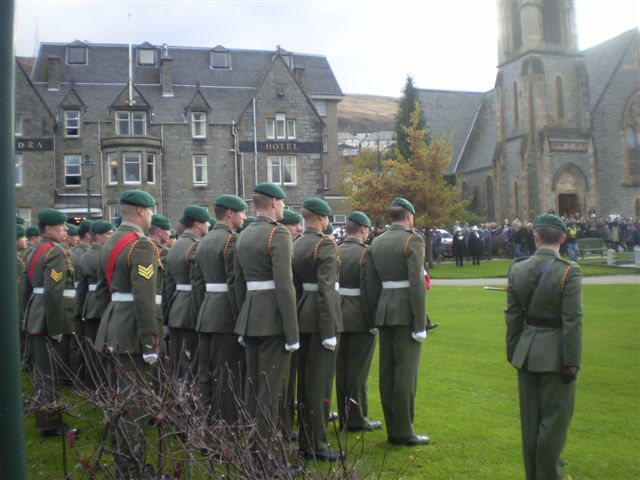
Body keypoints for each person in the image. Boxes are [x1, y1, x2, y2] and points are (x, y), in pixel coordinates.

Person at [505, 213, 583, 480]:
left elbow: (513, 316)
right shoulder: (569, 271)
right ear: (563, 238)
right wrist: (572, 361)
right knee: (554, 425)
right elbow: (572, 320)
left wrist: (514, 352)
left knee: (531, 424)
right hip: (557, 356)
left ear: (535, 236)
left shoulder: (517, 268)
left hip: (525, 353)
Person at [94, 189, 161, 478]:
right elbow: (144, 300)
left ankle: (124, 460)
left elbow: (101, 290)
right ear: (143, 211)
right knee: (135, 405)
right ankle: (132, 469)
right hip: (132, 330)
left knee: (122, 400)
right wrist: (151, 342)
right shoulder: (141, 246)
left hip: (114, 324)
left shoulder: (111, 242)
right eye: (152, 210)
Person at [233, 183, 299, 468]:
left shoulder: (243, 234)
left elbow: (237, 283)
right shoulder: (278, 234)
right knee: (270, 392)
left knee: (253, 388)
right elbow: (285, 287)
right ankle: (264, 460)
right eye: (282, 202)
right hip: (273, 320)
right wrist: (292, 332)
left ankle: (250, 450)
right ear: (273, 202)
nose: (284, 207)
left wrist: (243, 316)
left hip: (250, 317)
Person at [369, 198, 429, 446]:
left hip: (384, 309)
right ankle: (403, 431)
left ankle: (393, 426)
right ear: (409, 216)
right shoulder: (412, 240)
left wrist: (375, 314)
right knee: (405, 374)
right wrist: (420, 323)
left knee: (388, 372)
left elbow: (372, 284)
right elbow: (416, 285)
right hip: (405, 311)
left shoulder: (377, 241)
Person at [292, 197, 343, 461]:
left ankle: (305, 438)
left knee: (305, 382)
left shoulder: (297, 243)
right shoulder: (325, 244)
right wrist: (329, 330)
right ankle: (317, 444)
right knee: (320, 384)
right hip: (321, 318)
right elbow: (325, 290)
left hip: (302, 314)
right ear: (322, 219)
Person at [22, 208, 78, 436]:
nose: (65, 229)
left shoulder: (35, 251)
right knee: (49, 374)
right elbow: (54, 292)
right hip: (48, 319)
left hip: (36, 315)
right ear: (48, 229)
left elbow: (25, 289)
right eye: (61, 226)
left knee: (43, 372)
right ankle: (50, 425)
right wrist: (55, 328)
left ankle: (47, 420)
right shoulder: (55, 253)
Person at [192, 194, 247, 424]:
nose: (244, 217)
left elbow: (197, 283)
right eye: (242, 212)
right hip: (225, 316)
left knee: (205, 373)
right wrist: (240, 317)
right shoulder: (230, 241)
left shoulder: (203, 240)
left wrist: (200, 312)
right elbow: (235, 283)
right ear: (230, 213)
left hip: (206, 312)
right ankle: (225, 430)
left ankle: (203, 423)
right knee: (227, 374)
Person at [335, 211, 382, 433]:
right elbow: (369, 290)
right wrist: (374, 320)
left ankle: (345, 416)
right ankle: (356, 419)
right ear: (363, 229)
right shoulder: (366, 254)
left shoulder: (335, 249)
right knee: (358, 372)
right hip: (360, 317)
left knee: (341, 370)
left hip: (337, 315)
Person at [165, 205, 210, 378]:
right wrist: (201, 315)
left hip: (176, 309)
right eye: (206, 222)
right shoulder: (195, 247)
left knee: (180, 364)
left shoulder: (176, 246)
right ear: (197, 224)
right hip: (191, 310)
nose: (208, 226)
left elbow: (168, 286)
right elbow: (198, 284)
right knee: (193, 365)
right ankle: (190, 404)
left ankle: (179, 402)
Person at [76, 220, 113, 389]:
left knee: (92, 348)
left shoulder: (86, 254)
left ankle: (92, 384)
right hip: (100, 303)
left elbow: (82, 287)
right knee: (101, 349)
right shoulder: (101, 254)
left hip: (89, 304)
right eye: (108, 234)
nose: (111, 236)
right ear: (98, 236)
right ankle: (101, 385)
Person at [279, 208, 304, 440]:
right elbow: (286, 286)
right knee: (281, 380)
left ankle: (285, 422)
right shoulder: (281, 242)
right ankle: (282, 426)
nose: (299, 228)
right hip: (281, 315)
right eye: (295, 224)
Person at [148, 214, 172, 353]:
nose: (169, 233)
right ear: (159, 231)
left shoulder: (139, 247)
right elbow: (167, 286)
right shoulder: (163, 253)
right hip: (159, 308)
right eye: (167, 229)